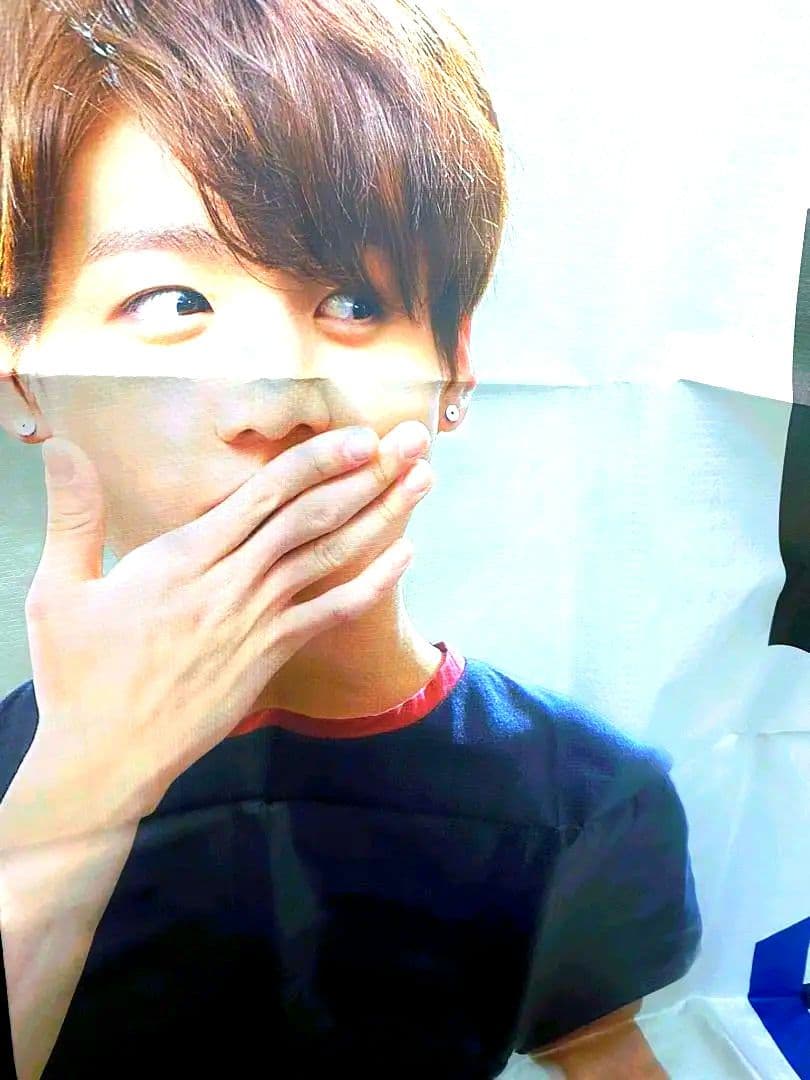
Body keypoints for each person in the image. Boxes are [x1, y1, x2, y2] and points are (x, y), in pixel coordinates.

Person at [0, 1, 702, 1077]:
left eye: (354, 299)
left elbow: (609, 1048)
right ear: (25, 377)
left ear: (455, 366)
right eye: (172, 301)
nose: (280, 401)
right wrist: (82, 787)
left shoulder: (589, 799)